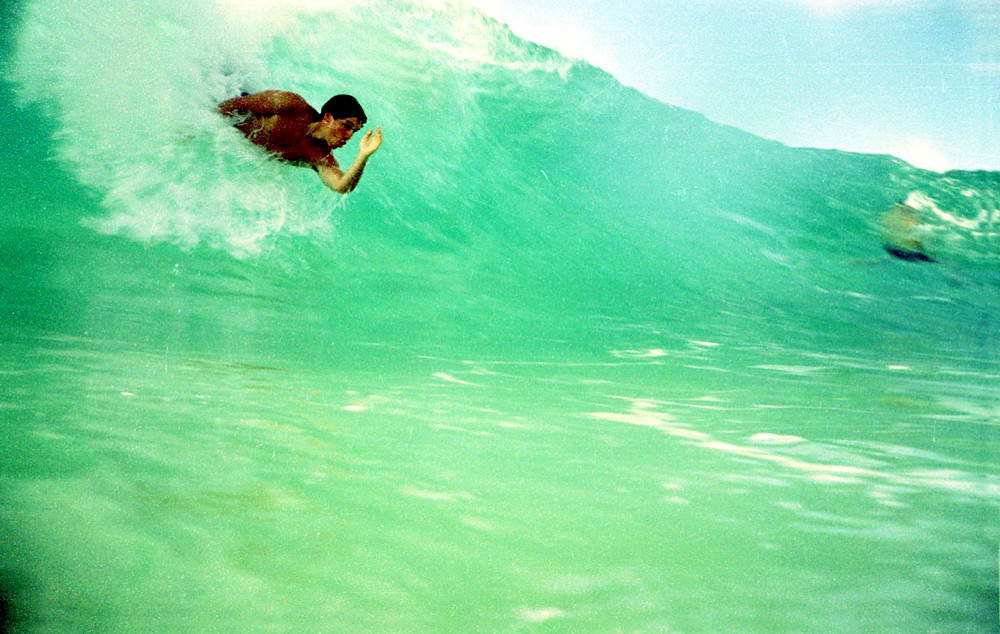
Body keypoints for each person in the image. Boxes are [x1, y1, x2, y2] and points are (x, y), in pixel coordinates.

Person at [218, 90, 382, 193]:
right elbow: (231, 105)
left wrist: (363, 155)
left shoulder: (319, 157)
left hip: (235, 139)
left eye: (354, 131)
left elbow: (341, 186)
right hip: (230, 96)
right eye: (346, 126)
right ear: (327, 117)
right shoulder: (291, 106)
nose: (349, 136)